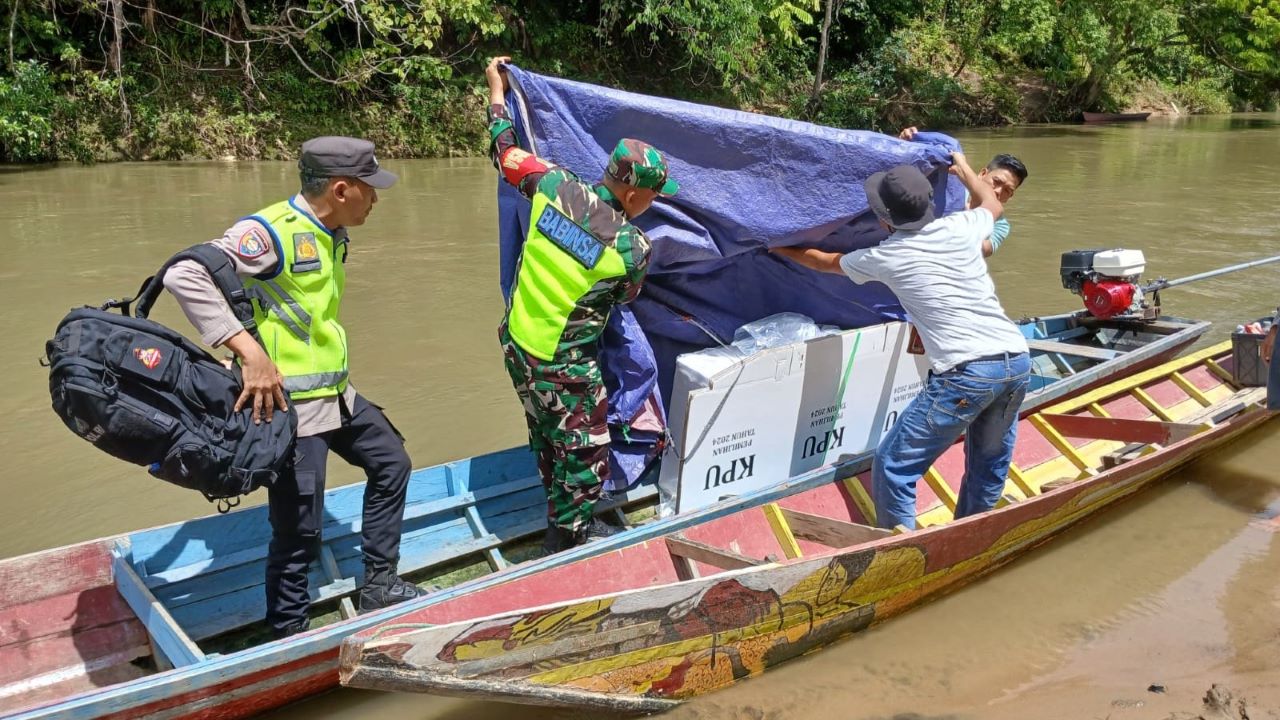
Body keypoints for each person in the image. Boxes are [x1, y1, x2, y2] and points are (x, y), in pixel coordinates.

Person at [164, 136, 422, 637]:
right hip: (289, 410)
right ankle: (288, 630)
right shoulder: (270, 233)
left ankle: (380, 583)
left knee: (392, 462)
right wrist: (249, 352)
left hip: (337, 395)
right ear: (342, 189)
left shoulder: (331, 230)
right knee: (299, 530)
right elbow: (184, 273)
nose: (377, 199)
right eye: (372, 189)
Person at [772, 155, 1031, 530]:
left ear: (884, 220)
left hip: (967, 372)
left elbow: (824, 261)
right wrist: (962, 162)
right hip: (1016, 358)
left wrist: (775, 248)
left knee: (894, 465)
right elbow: (993, 204)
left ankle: (904, 553)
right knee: (988, 462)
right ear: (930, 204)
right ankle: (972, 535)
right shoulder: (962, 226)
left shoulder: (885, 256)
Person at [484, 56, 678, 553]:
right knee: (587, 452)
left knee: (546, 432)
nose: (655, 202)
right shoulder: (632, 248)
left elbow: (504, 151)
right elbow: (624, 298)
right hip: (564, 365)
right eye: (655, 195)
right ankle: (569, 537)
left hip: (517, 344)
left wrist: (496, 93)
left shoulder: (553, 185)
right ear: (634, 193)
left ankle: (555, 501)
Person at [898, 127, 1027, 257]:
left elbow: (983, 250)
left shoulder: (1000, 225)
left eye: (1007, 190)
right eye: (997, 181)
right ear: (982, 174)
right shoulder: (951, 186)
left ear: (1010, 196)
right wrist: (907, 142)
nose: (998, 191)